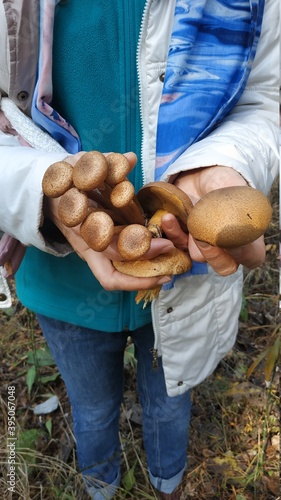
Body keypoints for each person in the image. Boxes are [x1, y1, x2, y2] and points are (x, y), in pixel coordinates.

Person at [0, 1, 279, 499]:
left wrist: (222, 166)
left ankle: (166, 483)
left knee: (171, 403)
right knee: (92, 408)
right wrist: (36, 191)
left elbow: (261, 97)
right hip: (64, 279)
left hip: (188, 278)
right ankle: (99, 486)